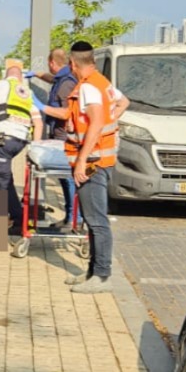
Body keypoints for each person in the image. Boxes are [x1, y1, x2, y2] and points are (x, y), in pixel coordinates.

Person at [65, 44, 129, 293]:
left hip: (92, 162)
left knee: (96, 220)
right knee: (93, 220)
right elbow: (124, 102)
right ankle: (93, 271)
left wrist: (81, 160)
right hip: (102, 159)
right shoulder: (102, 83)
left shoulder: (88, 87)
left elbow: (96, 122)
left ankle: (102, 277)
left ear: (73, 63)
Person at [0, 56, 43, 246]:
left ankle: (18, 219)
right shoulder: (27, 93)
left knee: (2, 179)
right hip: (17, 141)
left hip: (3, 139)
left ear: (7, 76)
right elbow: (38, 122)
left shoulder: (0, 86)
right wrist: (35, 146)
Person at [39, 47, 78, 231]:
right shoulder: (61, 78)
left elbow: (66, 113)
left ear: (53, 63)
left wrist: (41, 107)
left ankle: (73, 219)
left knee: (69, 178)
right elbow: (50, 78)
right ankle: (69, 217)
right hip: (59, 136)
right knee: (63, 178)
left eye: (49, 65)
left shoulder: (66, 83)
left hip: (66, 138)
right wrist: (35, 74)